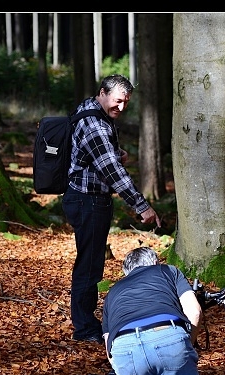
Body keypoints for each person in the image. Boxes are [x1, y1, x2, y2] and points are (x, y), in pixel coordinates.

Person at [62, 74, 162, 343]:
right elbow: (112, 171)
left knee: (91, 263)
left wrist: (116, 154)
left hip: (87, 199)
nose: (121, 107)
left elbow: (97, 156)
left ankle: (85, 322)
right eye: (118, 101)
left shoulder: (90, 110)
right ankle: (84, 328)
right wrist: (141, 206)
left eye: (126, 103)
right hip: (87, 201)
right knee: (89, 266)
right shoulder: (95, 123)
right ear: (103, 93)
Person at [98, 246, 225, 375]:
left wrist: (123, 369)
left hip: (124, 345)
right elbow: (195, 312)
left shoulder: (113, 292)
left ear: (126, 272)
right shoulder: (168, 271)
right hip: (167, 333)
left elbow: (109, 349)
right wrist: (186, 343)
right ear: (155, 262)